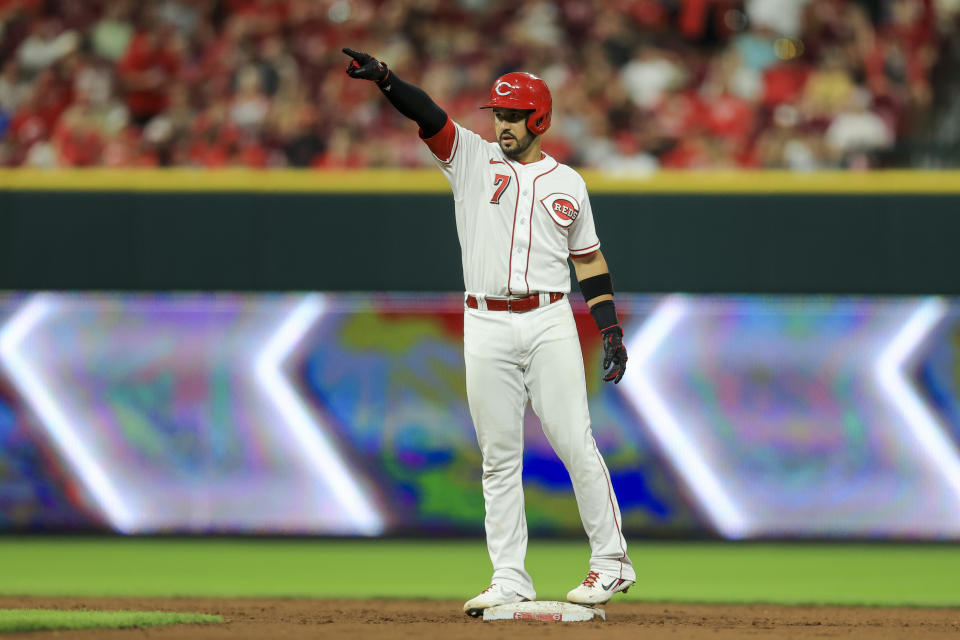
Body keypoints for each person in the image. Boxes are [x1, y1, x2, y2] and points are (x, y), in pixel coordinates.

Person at [342, 48, 635, 616]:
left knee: (576, 442)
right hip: (484, 322)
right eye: (498, 114)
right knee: (499, 458)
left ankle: (612, 561)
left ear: (539, 120)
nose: (501, 123)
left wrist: (611, 329)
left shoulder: (568, 183)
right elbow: (427, 115)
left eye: (513, 115)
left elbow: (591, 265)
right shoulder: (471, 160)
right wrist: (385, 79)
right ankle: (509, 578)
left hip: (549, 318)